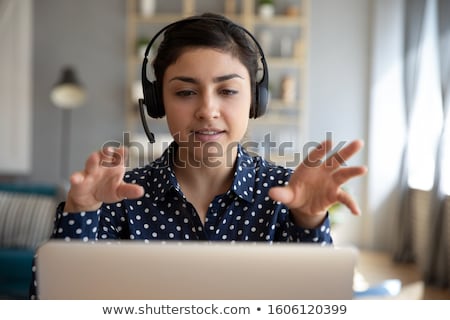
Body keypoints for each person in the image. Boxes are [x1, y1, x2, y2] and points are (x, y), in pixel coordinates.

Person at [30, 12, 367, 299]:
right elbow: (52, 303)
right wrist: (80, 214)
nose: (207, 110)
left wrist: (308, 221)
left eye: (228, 91)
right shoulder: (118, 197)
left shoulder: (287, 194)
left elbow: (318, 306)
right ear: (158, 103)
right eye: (186, 92)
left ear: (255, 101)